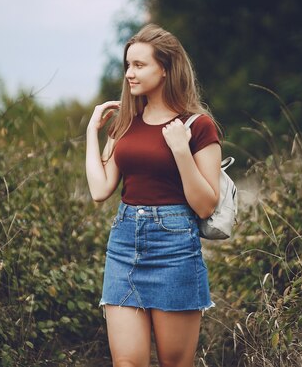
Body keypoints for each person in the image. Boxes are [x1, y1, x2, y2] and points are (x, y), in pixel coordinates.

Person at [86, 23, 222, 367]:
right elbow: (100, 189)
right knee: (126, 363)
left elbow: (206, 204)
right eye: (127, 65)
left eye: (139, 65)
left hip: (175, 249)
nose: (130, 74)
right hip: (123, 245)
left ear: (165, 68)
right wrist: (92, 132)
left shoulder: (198, 125)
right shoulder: (126, 122)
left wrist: (180, 151)